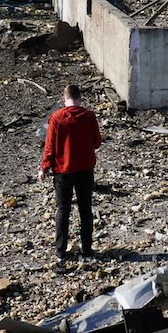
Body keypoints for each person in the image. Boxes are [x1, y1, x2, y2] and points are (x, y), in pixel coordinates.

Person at [39, 84, 102, 261]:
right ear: (80, 98)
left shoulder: (56, 118)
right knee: (85, 210)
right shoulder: (89, 117)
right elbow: (97, 142)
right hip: (85, 170)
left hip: (62, 171)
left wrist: (44, 167)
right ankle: (87, 249)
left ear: (63, 99)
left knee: (63, 210)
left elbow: (49, 146)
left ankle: (60, 251)